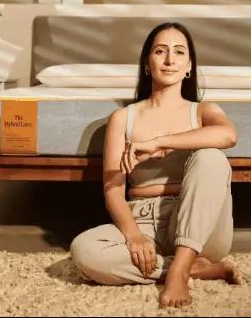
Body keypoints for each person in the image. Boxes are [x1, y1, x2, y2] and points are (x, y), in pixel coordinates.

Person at [69, 22, 241, 309]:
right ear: (147, 64)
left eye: (179, 52)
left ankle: (178, 270)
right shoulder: (123, 118)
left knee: (211, 156)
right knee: (84, 252)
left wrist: (161, 143)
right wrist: (134, 237)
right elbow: (113, 190)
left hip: (203, 228)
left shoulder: (203, 112)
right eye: (161, 51)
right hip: (143, 220)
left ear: (188, 66)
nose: (170, 59)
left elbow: (228, 136)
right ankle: (190, 268)